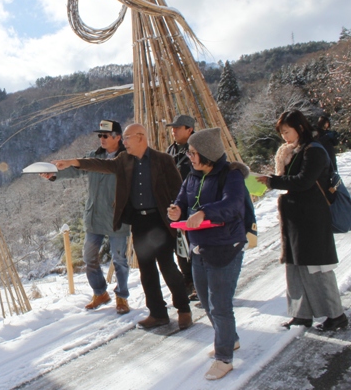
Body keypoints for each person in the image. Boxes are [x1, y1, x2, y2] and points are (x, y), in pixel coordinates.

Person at [53, 123, 192, 330]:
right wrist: (71, 162)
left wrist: (178, 210)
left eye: (126, 138)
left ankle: (183, 309)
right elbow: (98, 164)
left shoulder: (163, 160)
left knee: (167, 266)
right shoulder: (123, 160)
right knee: (146, 270)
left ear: (140, 137)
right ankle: (158, 313)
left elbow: (179, 191)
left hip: (160, 221)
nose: (123, 142)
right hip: (139, 221)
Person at [168, 128, 248, 381]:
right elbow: (181, 200)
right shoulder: (192, 176)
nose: (189, 157)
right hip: (199, 247)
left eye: (193, 153)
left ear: (207, 153)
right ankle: (230, 339)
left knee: (221, 305)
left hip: (226, 247)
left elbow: (233, 204)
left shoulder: (231, 175)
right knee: (205, 299)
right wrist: (176, 210)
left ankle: (224, 358)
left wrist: (204, 212)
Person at [257, 110, 347, 332]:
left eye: (287, 132)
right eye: (282, 133)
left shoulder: (314, 150)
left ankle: (336, 315)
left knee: (318, 268)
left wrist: (272, 181)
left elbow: (304, 181)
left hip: (313, 218)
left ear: (300, 128)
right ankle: (301, 314)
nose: (284, 137)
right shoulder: (295, 150)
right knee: (295, 266)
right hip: (296, 218)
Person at [41, 120, 131, 314]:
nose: (101, 139)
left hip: (117, 217)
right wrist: (53, 175)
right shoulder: (93, 157)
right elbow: (74, 170)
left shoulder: (126, 158)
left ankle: (122, 297)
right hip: (95, 216)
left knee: (120, 260)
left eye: (105, 135)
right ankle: (100, 292)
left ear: (118, 137)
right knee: (89, 257)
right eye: (100, 135)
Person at [166, 114, 197, 300]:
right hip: (175, 205)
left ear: (189, 129)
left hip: (194, 203)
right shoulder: (171, 150)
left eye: (178, 127)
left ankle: (199, 280)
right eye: (172, 127)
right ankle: (188, 281)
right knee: (180, 246)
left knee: (196, 245)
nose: (174, 130)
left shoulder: (197, 148)